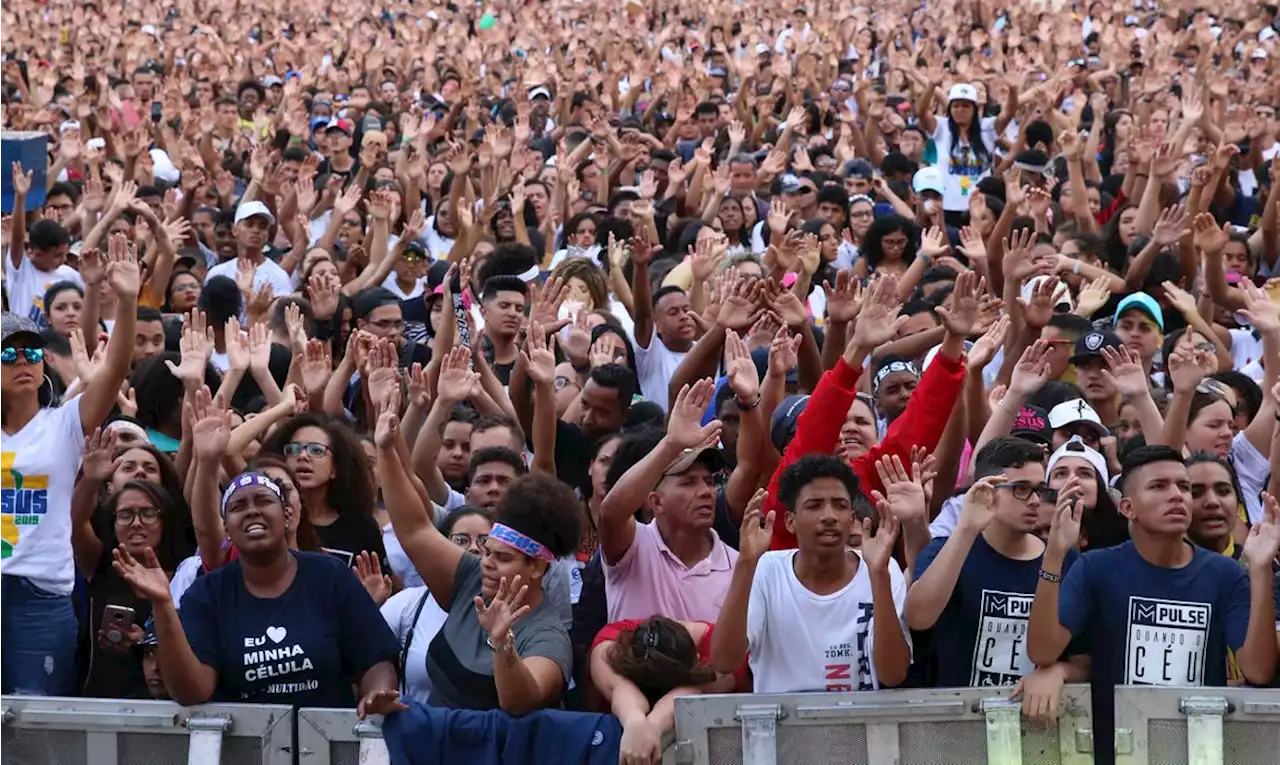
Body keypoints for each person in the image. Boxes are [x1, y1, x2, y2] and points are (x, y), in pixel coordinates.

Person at [1028, 446, 1280, 765]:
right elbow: (1042, 652)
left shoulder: (1224, 573)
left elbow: (1258, 670)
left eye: (1183, 487)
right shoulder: (1095, 568)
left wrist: (1259, 569)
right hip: (1117, 754)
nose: (1176, 495)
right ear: (1128, 508)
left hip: (1201, 752)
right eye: (1158, 487)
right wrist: (1054, 555)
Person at [113, 470, 405, 713]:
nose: (252, 510)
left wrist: (378, 694)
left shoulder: (330, 575)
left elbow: (375, 659)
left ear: (287, 516)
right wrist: (162, 604)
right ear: (227, 529)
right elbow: (192, 691)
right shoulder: (207, 592)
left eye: (263, 501)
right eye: (238, 506)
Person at [372, 386, 580, 713]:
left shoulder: (547, 636)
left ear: (538, 567)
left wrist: (502, 644)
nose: (487, 563)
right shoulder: (473, 579)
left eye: (503, 558)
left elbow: (520, 701)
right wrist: (385, 450)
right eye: (487, 551)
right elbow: (414, 528)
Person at [0, 239, 140, 697]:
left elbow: (114, 370)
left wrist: (127, 302)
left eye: (32, 353)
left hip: (41, 597)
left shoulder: (63, 425)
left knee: (37, 726)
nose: (23, 361)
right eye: (8, 354)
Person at [711, 457, 911, 692]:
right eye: (814, 505)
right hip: (780, 726)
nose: (829, 516)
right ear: (790, 522)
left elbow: (894, 674)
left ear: (851, 519)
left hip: (859, 726)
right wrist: (746, 562)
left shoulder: (881, 568)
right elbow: (723, 662)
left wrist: (878, 575)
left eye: (840, 505)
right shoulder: (766, 570)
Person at [906, 437, 1078, 689]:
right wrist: (966, 529)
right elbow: (918, 617)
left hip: (1037, 720)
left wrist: (1059, 671)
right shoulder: (946, 548)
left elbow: (1084, 656)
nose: (1035, 501)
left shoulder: (1064, 557)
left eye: (1039, 489)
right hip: (961, 718)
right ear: (986, 489)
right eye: (1020, 489)